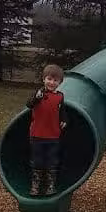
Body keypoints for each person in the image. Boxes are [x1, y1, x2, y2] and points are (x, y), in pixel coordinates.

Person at [26, 64, 68, 196]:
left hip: (53, 135)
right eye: (49, 79)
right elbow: (29, 104)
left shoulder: (60, 96)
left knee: (52, 160)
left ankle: (50, 185)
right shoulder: (38, 94)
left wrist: (64, 120)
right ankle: (35, 186)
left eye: (55, 80)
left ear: (60, 82)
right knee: (37, 160)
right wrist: (36, 98)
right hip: (37, 134)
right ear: (43, 79)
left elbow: (62, 111)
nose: (52, 82)